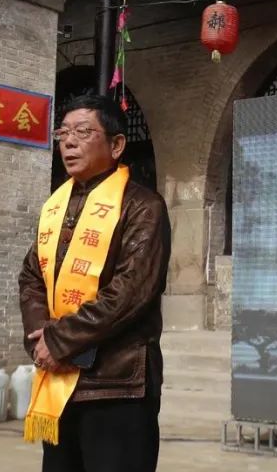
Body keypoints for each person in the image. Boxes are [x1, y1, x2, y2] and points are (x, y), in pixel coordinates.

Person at [18, 93, 171, 472]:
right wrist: (42, 336)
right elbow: (31, 275)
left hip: (116, 384)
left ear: (116, 144)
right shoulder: (57, 206)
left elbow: (131, 292)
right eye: (63, 132)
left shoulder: (142, 206)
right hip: (60, 378)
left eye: (83, 132)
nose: (68, 142)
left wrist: (59, 339)